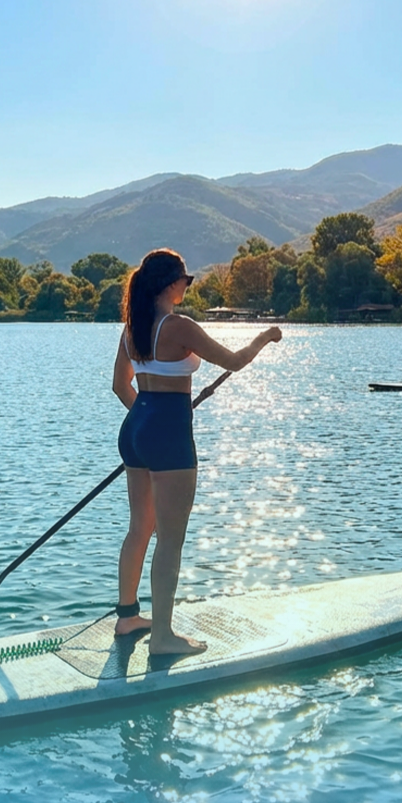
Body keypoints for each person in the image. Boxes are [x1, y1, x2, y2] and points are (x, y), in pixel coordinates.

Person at [112, 249, 282, 655]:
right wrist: (265, 337)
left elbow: (120, 386)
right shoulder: (179, 326)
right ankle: (163, 637)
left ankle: (127, 616)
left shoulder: (133, 328)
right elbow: (235, 361)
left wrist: (145, 422)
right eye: (186, 281)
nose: (187, 287)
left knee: (140, 528)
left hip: (135, 429)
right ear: (171, 283)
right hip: (167, 434)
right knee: (170, 539)